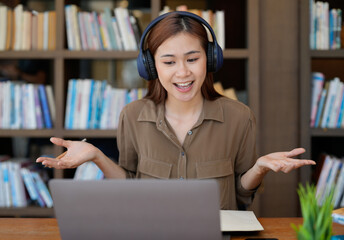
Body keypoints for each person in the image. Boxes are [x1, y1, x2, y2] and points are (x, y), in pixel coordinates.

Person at [36, 11, 315, 210]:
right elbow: (130, 185)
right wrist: (96, 156)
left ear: (211, 58)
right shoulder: (132, 116)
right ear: (151, 66)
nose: (183, 72)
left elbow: (242, 195)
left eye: (192, 58)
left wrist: (260, 168)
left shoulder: (239, 116)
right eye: (169, 62)